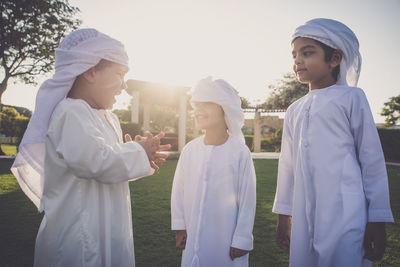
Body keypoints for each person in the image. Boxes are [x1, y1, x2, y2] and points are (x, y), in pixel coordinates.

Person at [11, 28, 170, 267]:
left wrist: (140, 156)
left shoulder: (109, 118)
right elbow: (95, 162)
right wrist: (138, 152)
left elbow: (111, 167)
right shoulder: (70, 111)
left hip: (108, 230)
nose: (124, 86)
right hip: (80, 239)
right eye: (119, 74)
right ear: (90, 70)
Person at [272, 18, 394, 267]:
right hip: (303, 214)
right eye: (294, 54)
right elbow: (287, 166)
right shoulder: (294, 109)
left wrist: (376, 218)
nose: (297, 61)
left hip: (346, 211)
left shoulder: (352, 98)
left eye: (307, 53)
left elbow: (371, 159)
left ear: (335, 58)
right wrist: (283, 216)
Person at [171, 77, 256, 267]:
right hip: (192, 235)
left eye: (206, 104)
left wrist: (241, 238)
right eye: (197, 104)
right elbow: (178, 191)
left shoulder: (240, 152)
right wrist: (180, 227)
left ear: (225, 109)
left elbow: (247, 199)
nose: (198, 110)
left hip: (226, 238)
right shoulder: (190, 150)